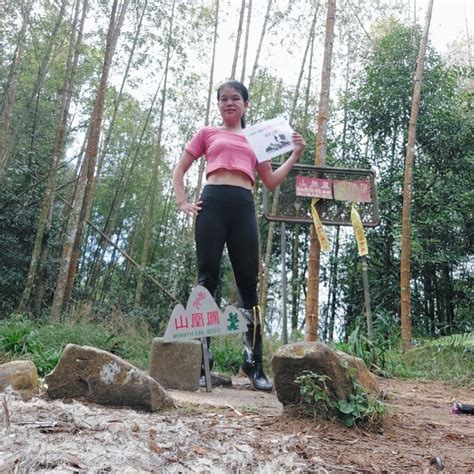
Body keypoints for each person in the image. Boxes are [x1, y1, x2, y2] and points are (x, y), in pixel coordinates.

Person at [172, 80, 305, 391]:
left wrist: (295, 154)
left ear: (246, 104)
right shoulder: (207, 133)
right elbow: (179, 170)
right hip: (212, 205)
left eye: (235, 98)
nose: (228, 103)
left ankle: (253, 362)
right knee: (206, 280)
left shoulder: (257, 138)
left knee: (249, 285)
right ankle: (202, 363)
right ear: (218, 105)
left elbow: (270, 181)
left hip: (244, 206)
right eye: (223, 99)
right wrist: (183, 202)